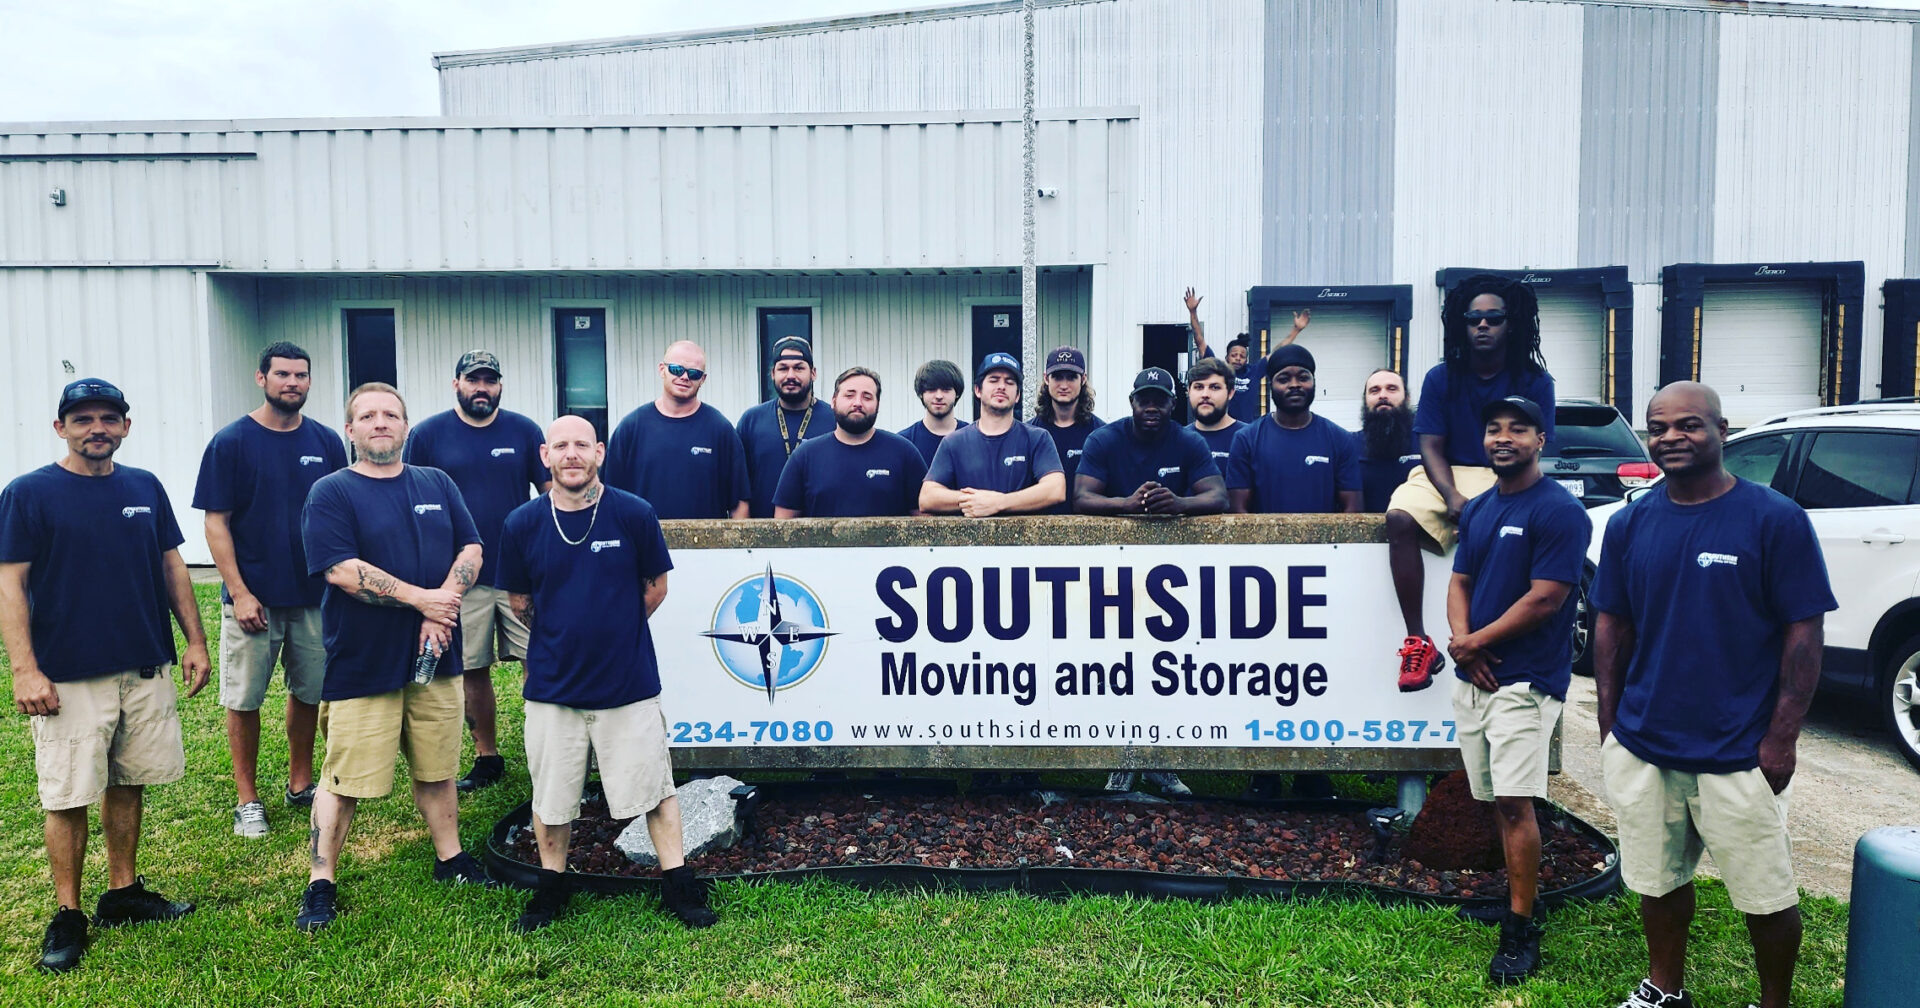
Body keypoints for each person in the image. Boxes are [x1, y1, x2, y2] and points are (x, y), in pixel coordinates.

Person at [1592, 382, 1833, 1008]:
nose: (1672, 436)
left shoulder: (1773, 518)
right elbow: (1612, 623)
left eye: (1689, 425)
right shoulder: (1630, 522)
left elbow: (1804, 632)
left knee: (1766, 896)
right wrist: (1611, 722)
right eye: (1658, 427)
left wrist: (1782, 738)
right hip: (1647, 743)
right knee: (1658, 880)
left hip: (1737, 750)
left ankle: (1773, 1002)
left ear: (1722, 431)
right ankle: (1664, 989)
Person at [1, 378, 211, 973]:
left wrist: (193, 640)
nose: (97, 428)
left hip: (143, 665)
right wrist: (25, 670)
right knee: (68, 794)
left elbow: (172, 565)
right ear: (60, 427)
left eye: (108, 418)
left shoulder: (144, 487)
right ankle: (68, 913)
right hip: (68, 676)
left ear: (126, 425)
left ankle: (122, 892)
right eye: (83, 418)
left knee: (129, 779)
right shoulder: (29, 493)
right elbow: (9, 582)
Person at [495, 416, 718, 932]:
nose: (571, 454)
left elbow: (656, 587)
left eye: (581, 445)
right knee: (551, 798)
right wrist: (564, 637)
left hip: (628, 683)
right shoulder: (522, 523)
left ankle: (678, 885)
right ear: (545, 455)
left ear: (599, 452)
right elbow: (519, 600)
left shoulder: (634, 514)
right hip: (553, 688)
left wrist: (611, 629)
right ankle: (551, 888)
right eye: (560, 446)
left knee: (655, 790)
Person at [295, 383, 493, 933]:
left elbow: (471, 547)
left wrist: (442, 604)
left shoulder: (437, 483)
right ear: (350, 431)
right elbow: (341, 570)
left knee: (438, 767)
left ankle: (450, 858)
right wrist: (420, 599)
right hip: (364, 663)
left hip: (436, 658)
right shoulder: (331, 492)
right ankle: (320, 881)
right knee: (344, 778)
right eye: (367, 416)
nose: (380, 423)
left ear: (406, 427)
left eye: (391, 415)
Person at [1443, 395, 1588, 985]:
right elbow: (1459, 580)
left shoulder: (1559, 511)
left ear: (1541, 440)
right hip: (1476, 674)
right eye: (1494, 428)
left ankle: (1521, 929)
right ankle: (1512, 899)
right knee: (1491, 798)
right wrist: (1464, 641)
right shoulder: (1479, 509)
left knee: (1514, 802)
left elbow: (1547, 598)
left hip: (1526, 681)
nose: (1504, 438)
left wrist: (1476, 642)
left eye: (1518, 429)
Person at [193, 342, 348, 838]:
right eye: (282, 374)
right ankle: (248, 800)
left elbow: (339, 516)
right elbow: (216, 524)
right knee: (245, 699)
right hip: (251, 600)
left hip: (313, 597)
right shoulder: (231, 442)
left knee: (309, 693)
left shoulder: (326, 442)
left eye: (301, 376)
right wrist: (238, 591)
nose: (293, 383)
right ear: (261, 378)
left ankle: (300, 783)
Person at [1386, 275, 1555, 693]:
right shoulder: (1441, 377)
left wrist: (1484, 505)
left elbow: (1535, 448)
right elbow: (1430, 445)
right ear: (1461, 325)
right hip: (1447, 473)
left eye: (1493, 318)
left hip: (1506, 477)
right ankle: (1418, 641)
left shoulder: (1535, 380)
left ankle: (1484, 637)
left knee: (1505, 542)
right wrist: (1452, 497)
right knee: (1398, 517)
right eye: (1474, 318)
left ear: (1510, 324)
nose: (1483, 326)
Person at [403, 350, 551, 794]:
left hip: (518, 572)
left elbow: (547, 495)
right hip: (458, 576)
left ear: (500, 385)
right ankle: (487, 756)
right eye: (473, 380)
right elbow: (411, 500)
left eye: (490, 380)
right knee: (472, 666)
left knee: (538, 659)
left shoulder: (524, 431)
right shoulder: (429, 435)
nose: (481, 388)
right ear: (457, 384)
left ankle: (544, 752)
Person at [1074, 366, 1224, 798]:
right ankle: (1123, 760)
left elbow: (1217, 496)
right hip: (1111, 571)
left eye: (1160, 399)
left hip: (1170, 576)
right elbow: (1080, 497)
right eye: (1145, 399)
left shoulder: (1188, 440)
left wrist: (1179, 502)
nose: (1153, 407)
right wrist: (1126, 503)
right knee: (1116, 667)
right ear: (1133, 403)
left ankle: (1161, 764)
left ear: (1173, 405)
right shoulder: (1105, 438)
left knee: (1164, 670)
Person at [604, 341, 751, 520]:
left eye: (694, 373)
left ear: (703, 379)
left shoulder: (721, 431)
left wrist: (735, 546)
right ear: (661, 369)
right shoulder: (630, 429)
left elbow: (739, 504)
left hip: (707, 547)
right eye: (676, 369)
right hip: (642, 545)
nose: (684, 377)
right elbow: (608, 498)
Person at [920, 353, 1065, 517]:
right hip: (970, 541)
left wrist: (999, 503)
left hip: (1024, 541)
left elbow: (1056, 489)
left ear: (1017, 395)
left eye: (1009, 382)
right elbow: (927, 497)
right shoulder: (954, 442)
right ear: (978, 390)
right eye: (994, 380)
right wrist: (974, 500)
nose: (1001, 386)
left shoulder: (1037, 438)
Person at [1225, 344, 1361, 515]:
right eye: (1284, 379)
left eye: (1303, 378)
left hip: (1324, 542)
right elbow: (1238, 512)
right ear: (1270, 385)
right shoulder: (1246, 440)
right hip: (1264, 542)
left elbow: (1353, 511)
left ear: (1314, 382)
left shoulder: (1339, 439)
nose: (1294, 385)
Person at [774, 367, 927, 518]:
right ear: (833, 401)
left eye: (867, 397)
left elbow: (924, 522)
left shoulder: (904, 453)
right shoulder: (804, 456)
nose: (857, 403)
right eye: (849, 395)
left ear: (878, 405)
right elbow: (782, 527)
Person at [737, 336, 834, 518]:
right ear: (773, 373)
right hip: (763, 536)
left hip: (822, 535)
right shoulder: (751, 421)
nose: (791, 375)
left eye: (798, 368)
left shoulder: (834, 419)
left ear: (813, 373)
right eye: (783, 368)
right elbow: (740, 488)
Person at [1186, 286, 1308, 425]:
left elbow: (1277, 352)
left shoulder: (1254, 372)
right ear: (1227, 358)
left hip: (1246, 428)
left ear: (1246, 359)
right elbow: (1200, 340)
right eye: (1234, 355)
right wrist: (1193, 312)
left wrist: (1295, 330)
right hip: (1220, 426)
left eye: (1242, 356)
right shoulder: (1218, 372)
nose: (1238, 358)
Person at [1028, 346, 1101, 512]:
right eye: (1057, 377)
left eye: (1071, 377)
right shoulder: (1029, 434)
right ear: (1046, 379)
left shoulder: (1100, 434)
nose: (1064, 385)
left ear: (1083, 379)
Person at [1356, 368, 1422, 514]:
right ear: (1365, 400)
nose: (1383, 396)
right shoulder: (1348, 445)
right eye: (1374, 390)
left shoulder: (1428, 445)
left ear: (1407, 398)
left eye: (1392, 389)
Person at [898, 359, 969, 464]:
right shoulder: (904, 442)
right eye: (931, 389)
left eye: (946, 389)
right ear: (921, 393)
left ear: (957, 393)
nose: (939, 396)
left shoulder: (973, 439)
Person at [1185, 356, 1242, 466]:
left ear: (1230, 393)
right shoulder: (1176, 442)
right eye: (1198, 387)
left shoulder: (1251, 440)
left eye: (1215, 387)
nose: (1205, 394)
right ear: (1189, 391)